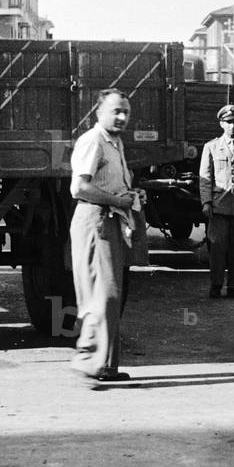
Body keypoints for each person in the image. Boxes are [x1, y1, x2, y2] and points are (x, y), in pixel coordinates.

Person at [68, 88, 146, 382]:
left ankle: (105, 365)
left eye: (126, 111)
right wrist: (116, 201)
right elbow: (79, 188)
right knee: (103, 293)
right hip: (95, 220)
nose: (123, 117)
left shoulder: (115, 143)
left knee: (110, 294)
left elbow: (110, 184)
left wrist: (130, 194)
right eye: (116, 111)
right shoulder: (92, 141)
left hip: (109, 218)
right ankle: (89, 359)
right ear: (99, 112)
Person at [199, 104, 234, 299]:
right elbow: (205, 177)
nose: (232, 126)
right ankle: (216, 284)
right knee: (217, 248)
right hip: (219, 206)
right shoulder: (211, 146)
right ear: (221, 124)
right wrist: (206, 202)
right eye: (228, 122)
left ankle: (233, 286)